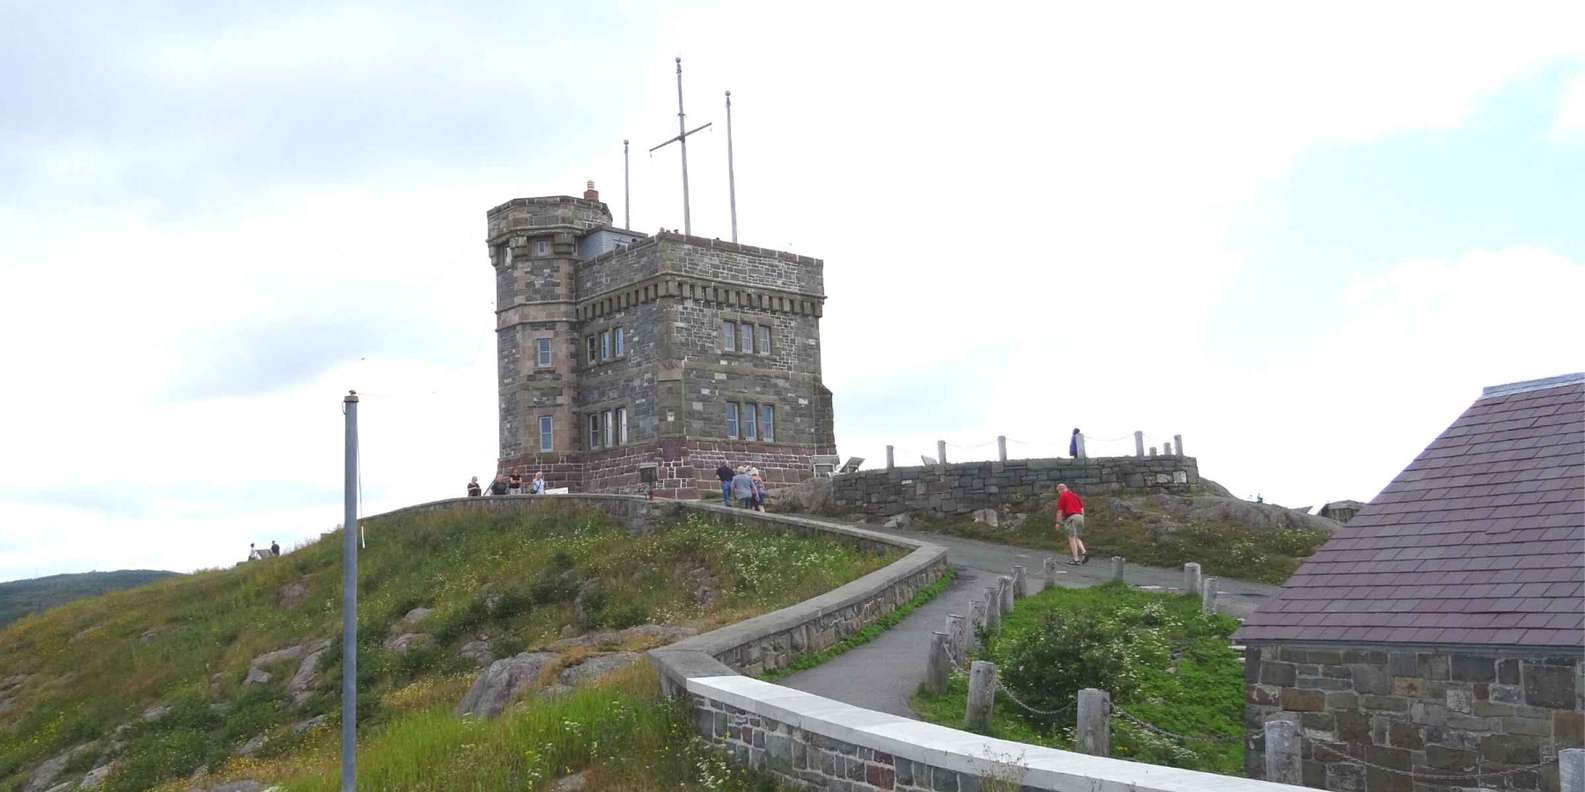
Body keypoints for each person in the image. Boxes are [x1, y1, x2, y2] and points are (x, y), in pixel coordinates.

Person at [1056, 483, 1088, 565]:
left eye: (1058, 491)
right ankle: (1084, 552)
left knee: (1071, 538)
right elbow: (1082, 509)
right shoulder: (1075, 496)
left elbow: (1059, 511)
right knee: (1076, 536)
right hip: (1080, 517)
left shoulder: (1062, 496)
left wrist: (1058, 523)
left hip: (1071, 517)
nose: (1058, 493)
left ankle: (1076, 559)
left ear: (1061, 489)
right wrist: (1082, 519)